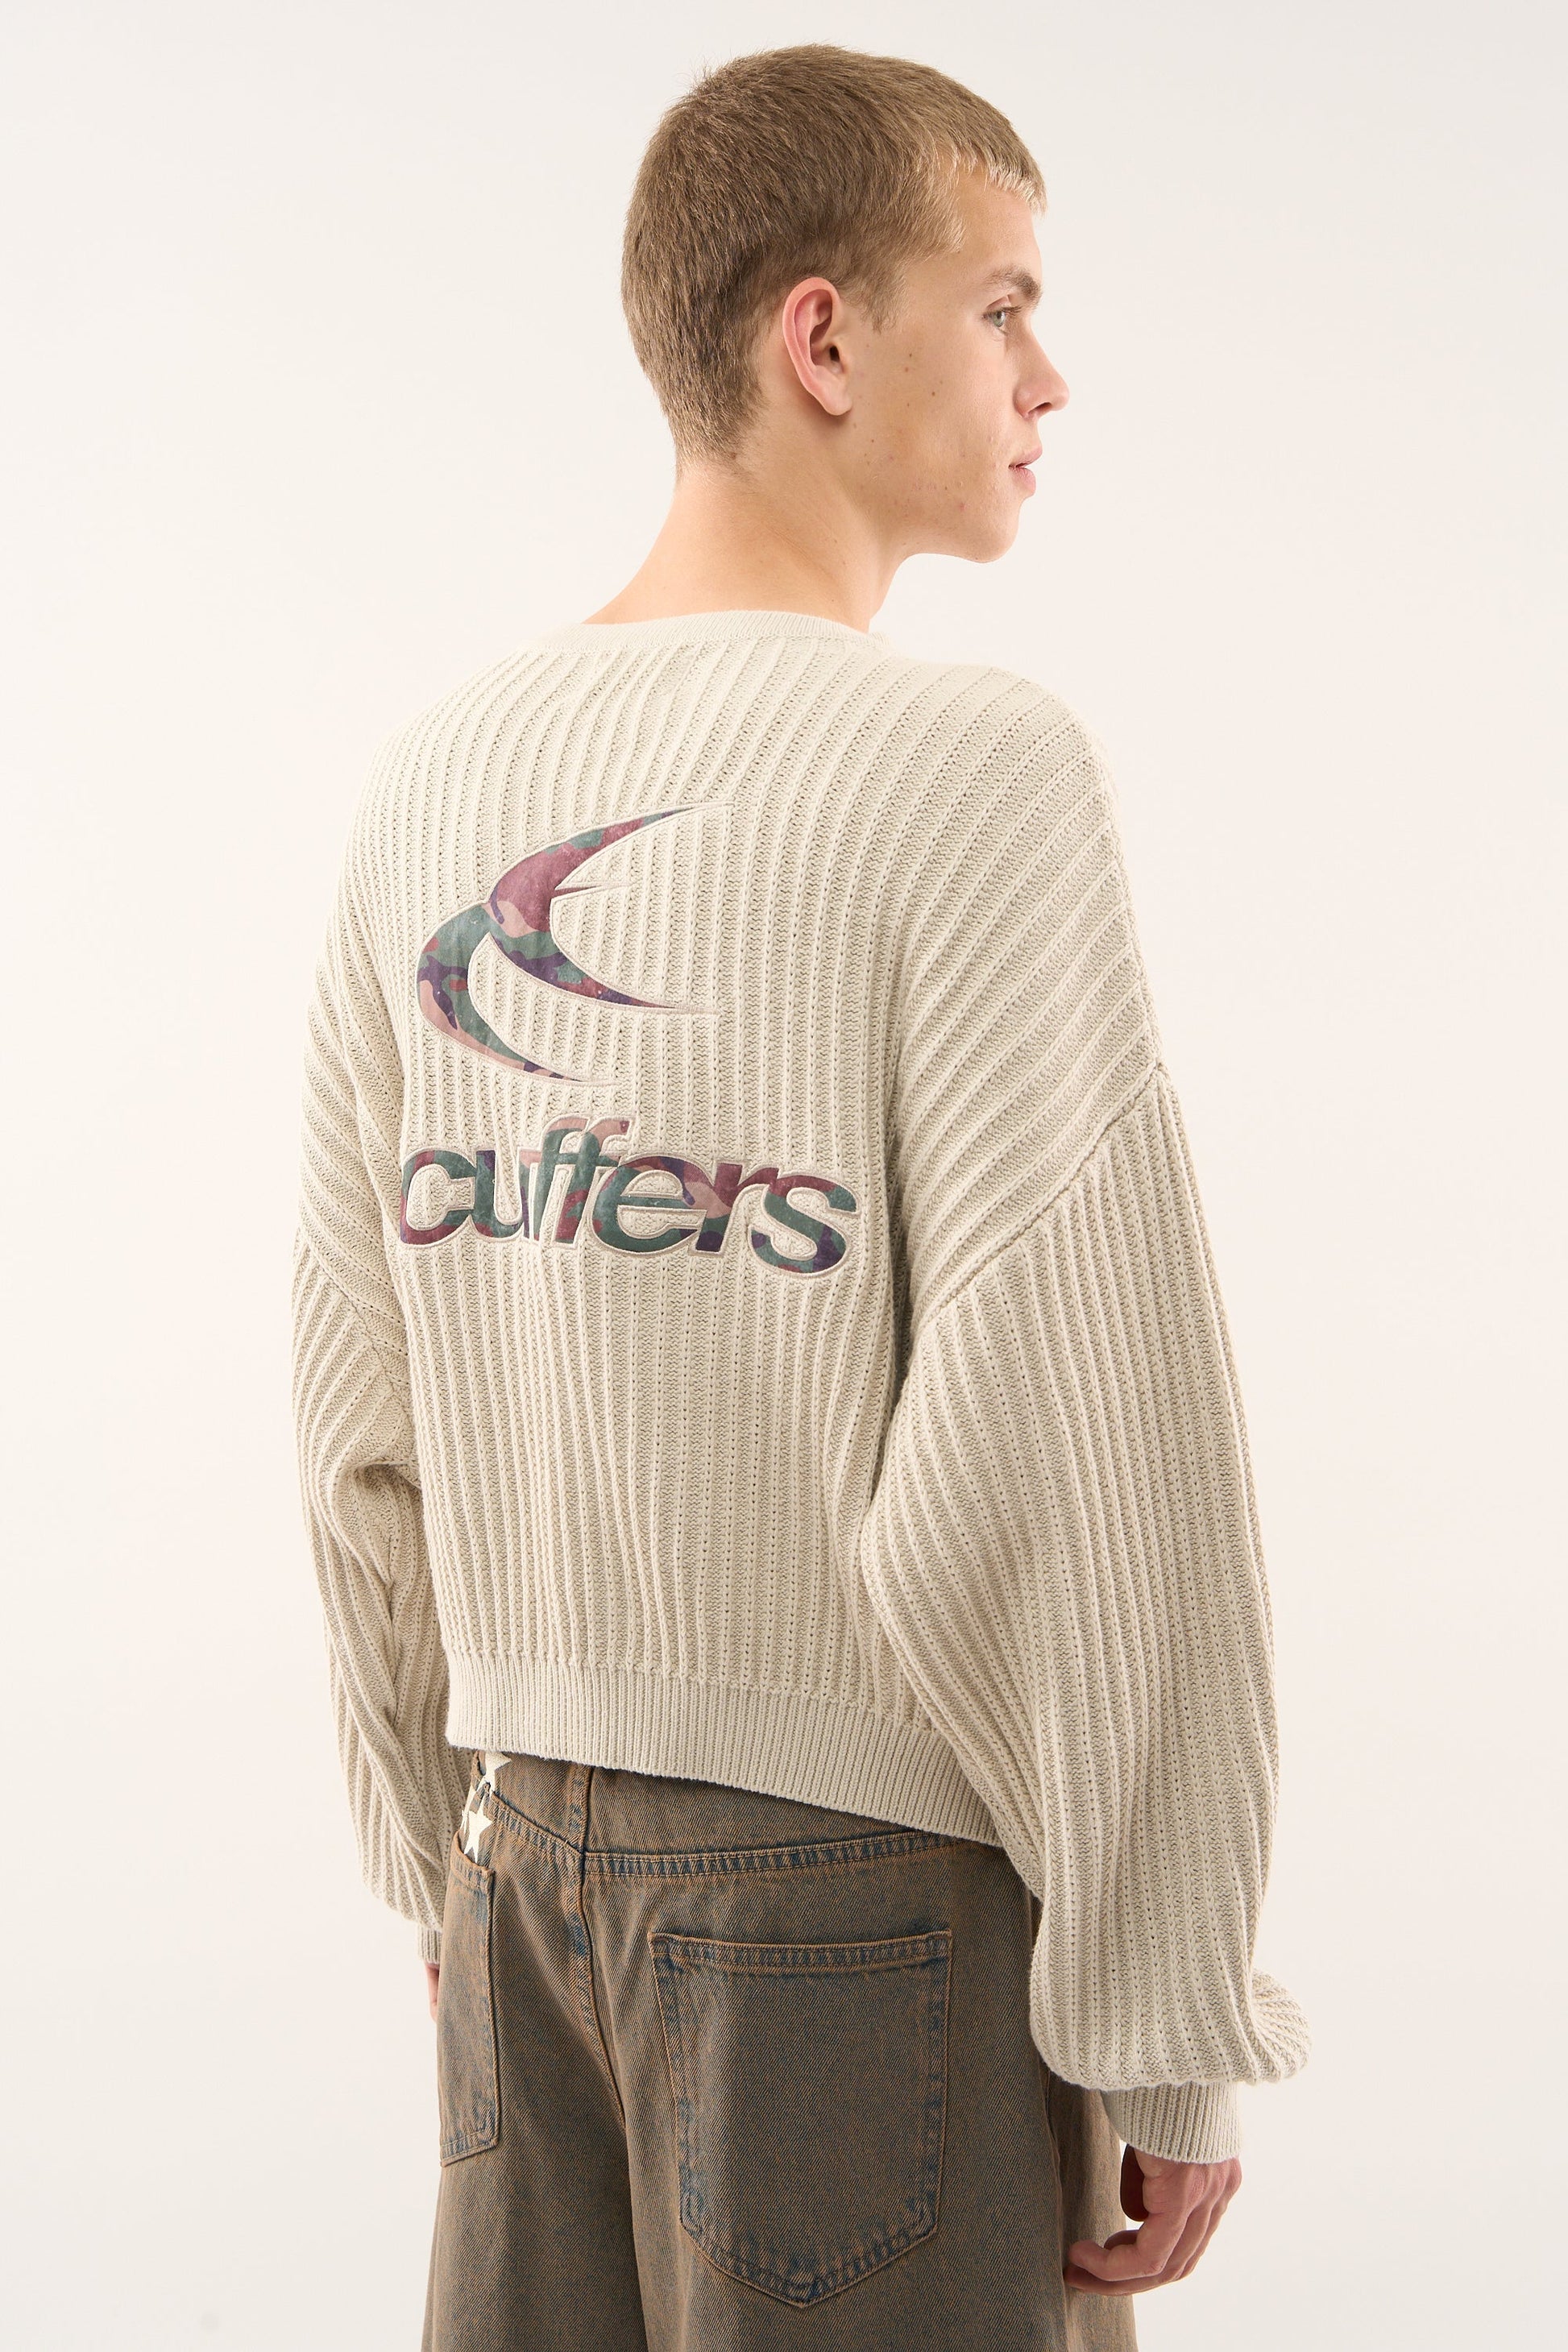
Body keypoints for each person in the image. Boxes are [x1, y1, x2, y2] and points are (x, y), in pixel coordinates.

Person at [289, 42, 1308, 2350]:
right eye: (1004, 304)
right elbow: (1088, 1438)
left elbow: (356, 1418)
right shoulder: (967, 773)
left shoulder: (431, 781)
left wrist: (436, 1861)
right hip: (865, 1929)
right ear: (821, 337)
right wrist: (1165, 2018)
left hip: (520, 1880)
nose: (1051, 377)